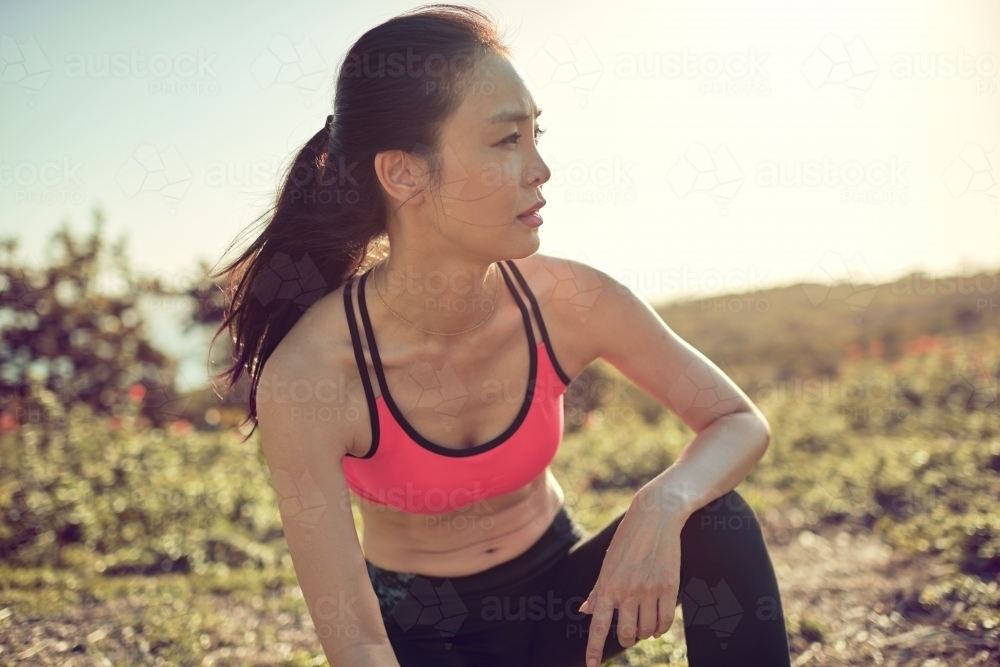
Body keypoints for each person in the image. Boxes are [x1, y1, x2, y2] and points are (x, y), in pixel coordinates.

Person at [213, 4, 792, 666]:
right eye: (505, 140)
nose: (539, 167)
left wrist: (665, 501)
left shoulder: (571, 300)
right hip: (423, 639)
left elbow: (736, 419)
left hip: (567, 612)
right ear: (404, 173)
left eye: (535, 133)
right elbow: (358, 640)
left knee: (719, 519)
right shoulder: (312, 374)